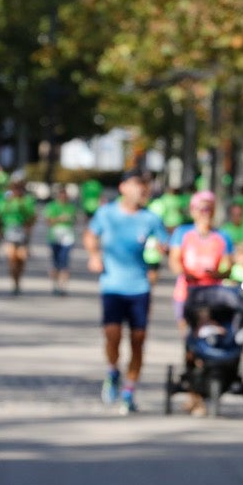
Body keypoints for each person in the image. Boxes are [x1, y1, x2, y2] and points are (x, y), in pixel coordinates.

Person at [84, 172, 166, 415]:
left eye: (146, 186)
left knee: (138, 340)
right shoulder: (106, 213)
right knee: (112, 335)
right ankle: (112, 371)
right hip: (112, 285)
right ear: (123, 187)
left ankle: (129, 391)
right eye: (139, 184)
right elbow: (90, 235)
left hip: (140, 286)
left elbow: (164, 245)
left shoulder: (150, 218)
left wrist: (161, 251)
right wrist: (94, 255)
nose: (143, 190)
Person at [168, 191, 233, 333]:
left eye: (210, 209)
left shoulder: (222, 236)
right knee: (190, 336)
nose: (206, 213)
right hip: (187, 292)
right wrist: (187, 274)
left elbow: (228, 266)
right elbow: (174, 261)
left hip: (213, 294)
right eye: (202, 209)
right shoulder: (182, 233)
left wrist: (216, 274)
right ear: (193, 211)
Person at [0, 180, 36, 294]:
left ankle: (18, 279)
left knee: (21, 259)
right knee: (12, 258)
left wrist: (28, 228)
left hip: (22, 233)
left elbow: (32, 217)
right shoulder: (6, 202)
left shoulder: (27, 202)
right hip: (9, 232)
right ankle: (14, 281)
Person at [44, 185, 80, 296]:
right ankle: (55, 285)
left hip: (67, 237)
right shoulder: (52, 206)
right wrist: (60, 219)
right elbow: (48, 221)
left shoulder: (71, 207)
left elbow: (75, 220)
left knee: (64, 262)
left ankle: (63, 287)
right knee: (55, 262)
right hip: (55, 236)